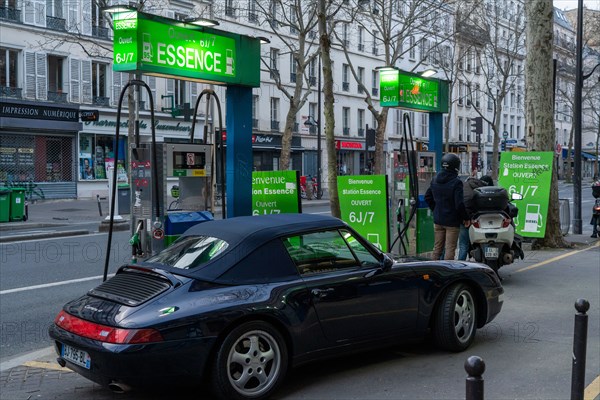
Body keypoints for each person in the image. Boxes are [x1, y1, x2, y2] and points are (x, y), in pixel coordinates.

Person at [425, 153, 469, 260]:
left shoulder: (435, 179)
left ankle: (433, 270)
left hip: (438, 220)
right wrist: (466, 217)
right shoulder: (456, 182)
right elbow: (459, 204)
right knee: (450, 249)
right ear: (456, 167)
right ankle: (447, 273)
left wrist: (435, 209)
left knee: (437, 249)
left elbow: (427, 196)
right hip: (452, 222)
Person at [457, 175, 494, 260]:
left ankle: (459, 264)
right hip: (469, 218)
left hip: (461, 216)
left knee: (463, 244)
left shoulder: (466, 184)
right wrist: (468, 218)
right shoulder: (482, 190)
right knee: (465, 244)